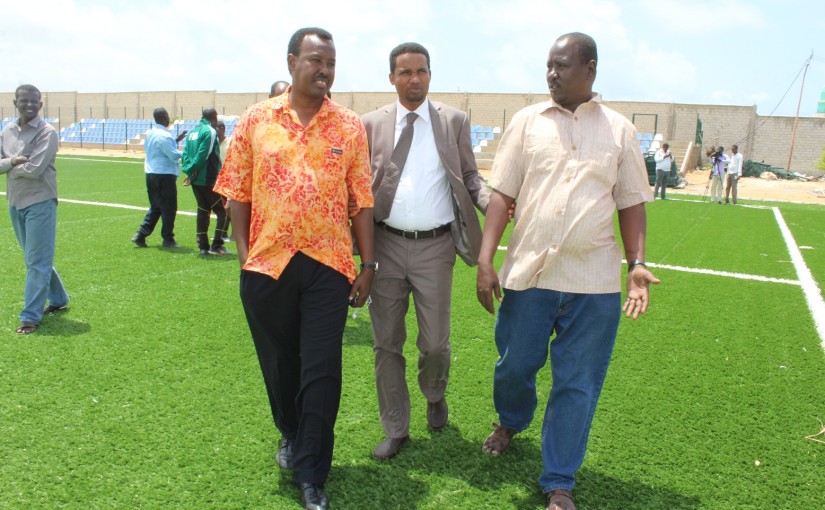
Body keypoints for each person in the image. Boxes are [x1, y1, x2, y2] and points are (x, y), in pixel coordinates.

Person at [475, 33, 660, 510]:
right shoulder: (525, 122)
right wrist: (485, 258)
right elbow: (502, 194)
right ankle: (511, 420)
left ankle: (559, 479)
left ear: (590, 68)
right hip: (529, 275)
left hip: (593, 283)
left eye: (562, 66)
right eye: (549, 66)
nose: (552, 74)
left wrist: (636, 264)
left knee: (577, 384)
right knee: (515, 366)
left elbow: (632, 203)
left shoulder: (619, 131)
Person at [213, 27, 375, 510]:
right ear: (291, 62)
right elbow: (236, 192)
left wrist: (368, 263)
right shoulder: (256, 120)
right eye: (315, 61)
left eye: (330, 63)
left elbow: (361, 200)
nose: (324, 70)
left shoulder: (348, 126)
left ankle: (312, 473)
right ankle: (289, 431)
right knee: (282, 365)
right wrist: (246, 258)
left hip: (328, 266)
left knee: (322, 369)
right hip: (269, 266)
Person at [361, 42, 490, 460]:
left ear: (430, 75)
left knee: (434, 344)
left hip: (435, 248)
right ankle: (395, 427)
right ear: (392, 77)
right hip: (385, 245)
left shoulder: (452, 120)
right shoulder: (369, 124)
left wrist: (493, 202)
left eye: (421, 71)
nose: (413, 78)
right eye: (405, 71)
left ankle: (435, 393)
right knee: (386, 343)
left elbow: (470, 176)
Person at [0, 84, 70, 335]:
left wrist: (10, 168)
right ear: (15, 102)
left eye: (34, 101)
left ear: (41, 104)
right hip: (15, 202)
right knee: (34, 258)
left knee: (36, 261)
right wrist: (12, 161)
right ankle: (60, 298)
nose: (29, 105)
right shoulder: (7, 131)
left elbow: (34, 169)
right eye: (24, 100)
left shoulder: (46, 132)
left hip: (40, 202)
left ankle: (30, 317)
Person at [131, 107, 187, 249]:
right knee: (169, 208)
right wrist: (187, 152)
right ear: (165, 117)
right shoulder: (165, 136)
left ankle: (141, 235)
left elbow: (159, 147)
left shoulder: (151, 134)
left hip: (150, 173)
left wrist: (175, 141)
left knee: (156, 206)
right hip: (164, 174)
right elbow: (173, 155)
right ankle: (168, 239)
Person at [182, 108, 229, 255]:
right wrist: (194, 168)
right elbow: (203, 155)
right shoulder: (209, 131)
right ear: (214, 119)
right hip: (208, 179)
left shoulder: (191, 132)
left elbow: (185, 155)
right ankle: (217, 245)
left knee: (203, 210)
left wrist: (190, 171)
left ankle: (203, 247)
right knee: (223, 212)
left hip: (196, 180)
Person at [216, 120, 232, 241]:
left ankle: (228, 232)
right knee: (224, 206)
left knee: (229, 206)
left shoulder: (230, 142)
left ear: (222, 128)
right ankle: (224, 232)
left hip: (231, 178)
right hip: (220, 179)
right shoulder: (214, 143)